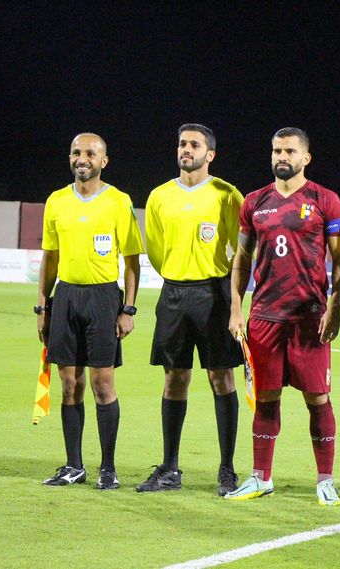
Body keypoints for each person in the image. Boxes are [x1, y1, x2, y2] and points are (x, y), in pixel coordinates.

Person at [226, 127, 340, 506]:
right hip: (264, 316)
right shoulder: (254, 202)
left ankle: (325, 480)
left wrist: (334, 306)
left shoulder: (325, 201)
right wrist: (236, 309)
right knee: (266, 399)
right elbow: (241, 260)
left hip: (310, 318)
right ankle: (260, 477)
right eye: (277, 150)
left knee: (317, 398)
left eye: (290, 151)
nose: (282, 156)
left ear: (305, 158)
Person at [137, 124, 245, 496]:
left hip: (215, 295)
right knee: (174, 379)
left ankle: (227, 469)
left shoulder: (227, 195)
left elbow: (241, 251)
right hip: (174, 294)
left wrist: (234, 300)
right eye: (182, 143)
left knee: (221, 378)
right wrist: (177, 273)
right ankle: (169, 468)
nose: (186, 149)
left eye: (194, 145)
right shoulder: (159, 196)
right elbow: (154, 247)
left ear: (210, 154)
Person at [37, 133, 143, 490]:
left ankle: (108, 469)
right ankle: (73, 465)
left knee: (102, 384)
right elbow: (49, 258)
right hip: (65, 296)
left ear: (103, 161)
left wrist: (127, 308)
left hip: (102, 299)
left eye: (90, 153)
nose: (82, 158)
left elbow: (131, 262)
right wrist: (43, 306)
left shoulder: (118, 201)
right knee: (69, 385)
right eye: (76, 152)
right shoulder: (56, 201)